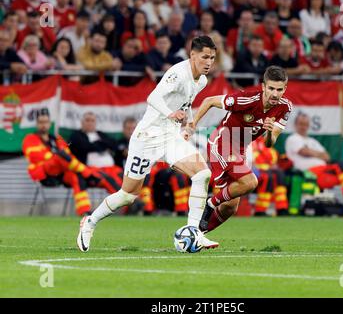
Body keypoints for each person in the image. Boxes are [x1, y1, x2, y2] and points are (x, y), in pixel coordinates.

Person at [77, 36, 218, 252]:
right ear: (192, 55)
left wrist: (188, 124)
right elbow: (153, 97)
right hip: (148, 137)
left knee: (202, 174)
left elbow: (186, 102)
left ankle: (194, 232)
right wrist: (171, 113)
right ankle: (90, 222)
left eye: (212, 58)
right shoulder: (177, 73)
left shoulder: (201, 81)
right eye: (204, 57)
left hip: (170, 136)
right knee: (128, 195)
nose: (208, 62)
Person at [186, 66, 293, 232]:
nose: (275, 94)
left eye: (279, 90)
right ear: (263, 86)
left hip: (240, 149)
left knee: (230, 206)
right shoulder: (246, 99)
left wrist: (270, 132)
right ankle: (210, 204)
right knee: (250, 182)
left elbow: (269, 143)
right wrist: (193, 124)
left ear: (284, 89)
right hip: (222, 142)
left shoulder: (285, 108)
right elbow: (209, 101)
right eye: (271, 88)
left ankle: (196, 234)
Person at [22, 109, 99, 216]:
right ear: (36, 124)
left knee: (75, 176)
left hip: (61, 173)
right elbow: (35, 156)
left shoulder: (57, 139)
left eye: (45, 122)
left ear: (49, 123)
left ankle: (84, 211)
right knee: (60, 157)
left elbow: (68, 156)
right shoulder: (30, 138)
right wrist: (54, 156)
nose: (43, 125)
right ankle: (87, 172)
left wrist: (59, 157)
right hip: (44, 174)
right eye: (41, 122)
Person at [285, 113, 343, 215]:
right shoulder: (293, 138)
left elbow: (327, 156)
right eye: (301, 124)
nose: (303, 127)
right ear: (295, 125)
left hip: (323, 173)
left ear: (308, 126)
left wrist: (311, 152)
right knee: (342, 167)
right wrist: (317, 153)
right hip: (309, 173)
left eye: (305, 124)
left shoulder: (312, 141)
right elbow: (303, 152)